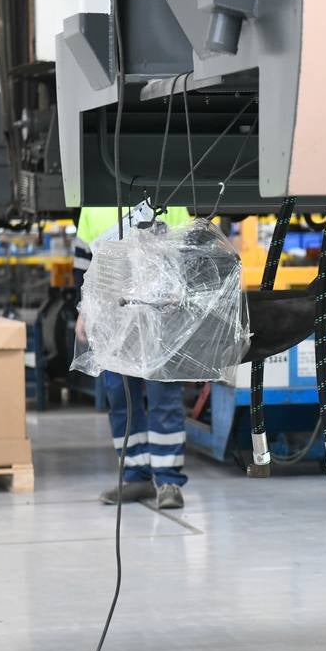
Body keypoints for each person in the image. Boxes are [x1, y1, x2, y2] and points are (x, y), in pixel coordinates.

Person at [73, 205, 193, 510]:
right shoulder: (94, 205)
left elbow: (187, 254)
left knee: (163, 395)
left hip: (160, 317)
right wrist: (83, 312)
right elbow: (83, 265)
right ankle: (136, 477)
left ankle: (168, 480)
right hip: (112, 319)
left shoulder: (171, 200)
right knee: (120, 397)